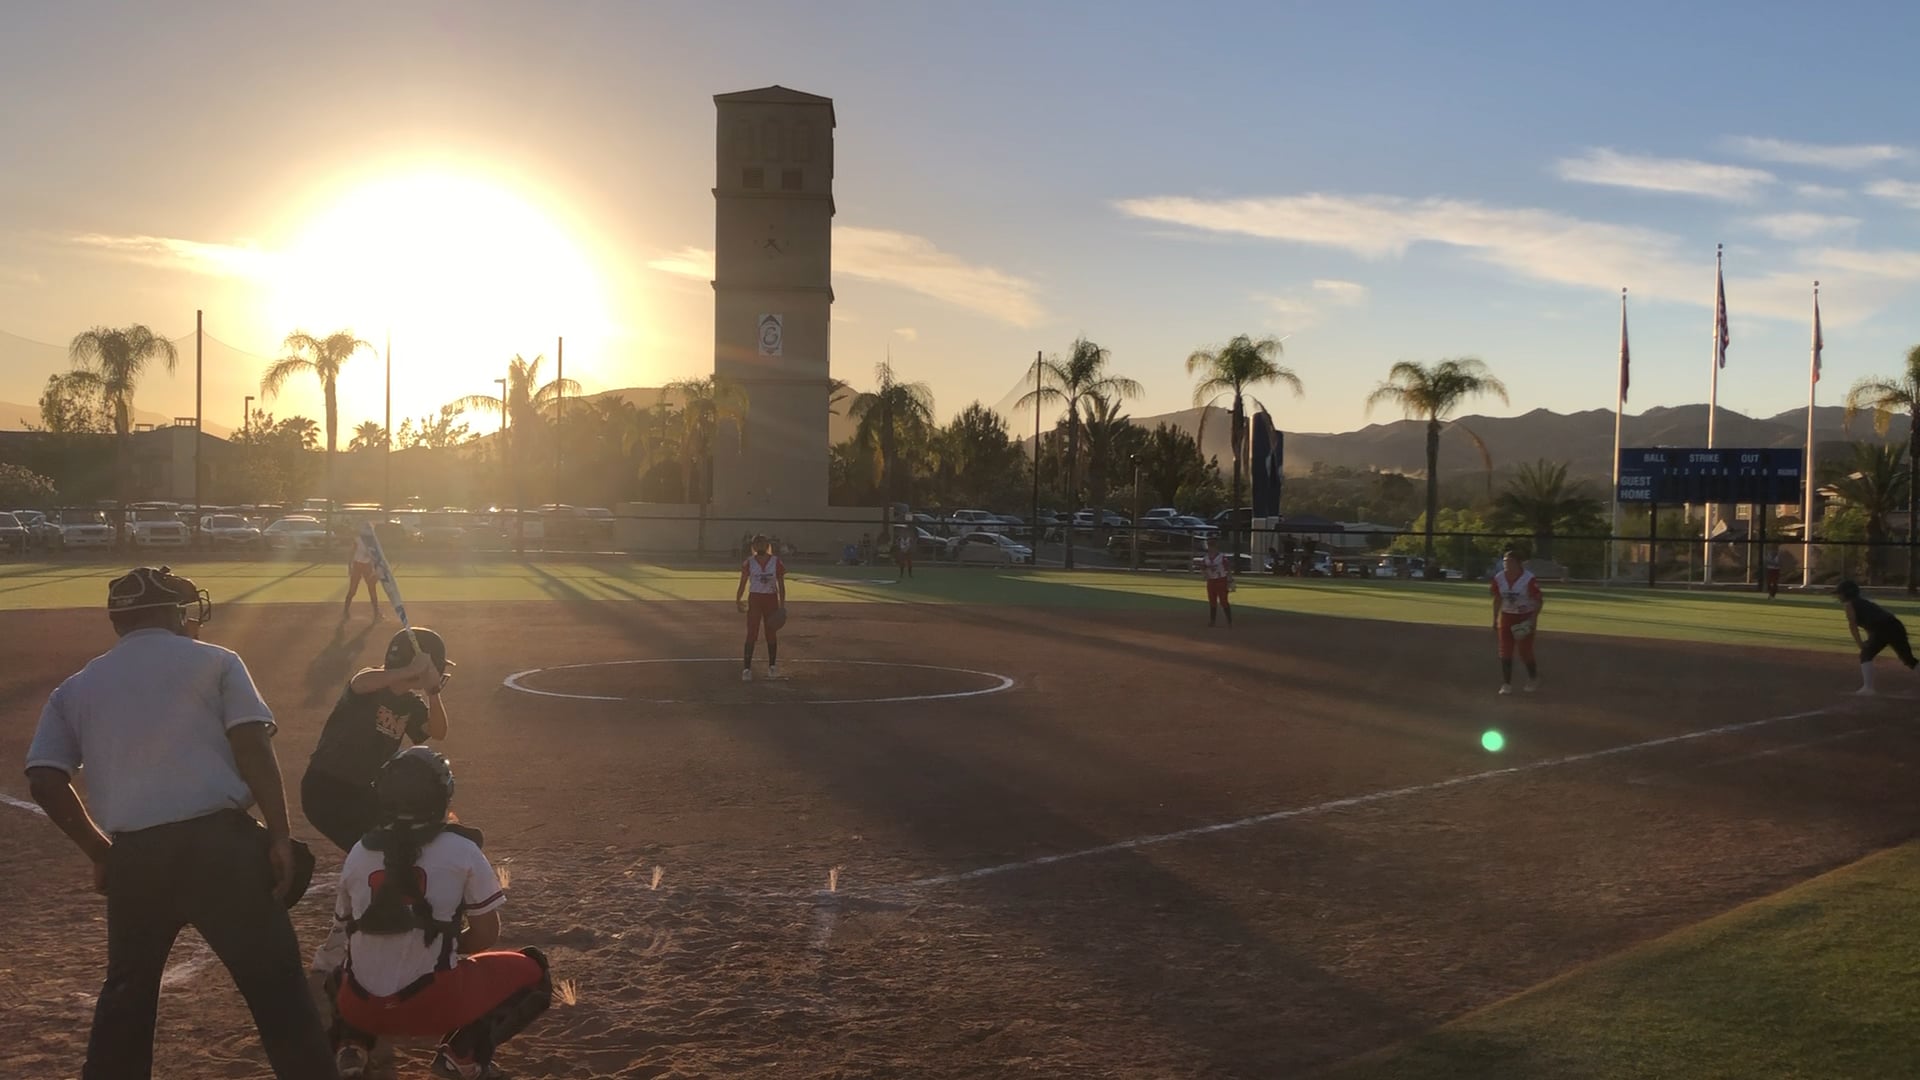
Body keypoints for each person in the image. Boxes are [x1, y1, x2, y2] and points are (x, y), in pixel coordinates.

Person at [24, 566, 336, 1079]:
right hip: (223, 851)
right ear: (172, 613)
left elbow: (44, 779)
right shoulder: (217, 661)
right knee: (278, 991)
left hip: (136, 859)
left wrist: (101, 852)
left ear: (119, 621)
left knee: (126, 1001)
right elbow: (251, 745)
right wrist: (279, 834)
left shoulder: (75, 688)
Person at [329, 748, 550, 1079]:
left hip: (359, 1007)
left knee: (340, 971)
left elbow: (345, 929)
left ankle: (351, 1044)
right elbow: (486, 935)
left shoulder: (360, 851)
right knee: (534, 970)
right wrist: (437, 942)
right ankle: (463, 1055)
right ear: (442, 794)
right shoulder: (462, 849)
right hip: (432, 1005)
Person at [303, 628, 455, 982]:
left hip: (363, 795)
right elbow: (361, 680)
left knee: (404, 845)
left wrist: (433, 693)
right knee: (375, 857)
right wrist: (411, 671)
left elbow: (438, 730)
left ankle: (391, 930)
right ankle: (338, 948)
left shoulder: (411, 704)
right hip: (326, 791)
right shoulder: (370, 685)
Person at [1837, 579, 1916, 695]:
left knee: (1866, 654)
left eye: (1840, 593)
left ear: (1847, 593)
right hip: (1895, 625)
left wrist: (1860, 643)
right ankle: (1868, 688)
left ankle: (1868, 688)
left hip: (1882, 628)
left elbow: (1853, 625)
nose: (1838, 596)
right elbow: (1874, 620)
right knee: (1908, 659)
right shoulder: (1864, 602)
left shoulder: (1849, 605)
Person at [1491, 548, 1543, 695]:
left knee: (1524, 651)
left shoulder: (1528, 578)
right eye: (1505, 561)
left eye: (1510, 561)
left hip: (1524, 616)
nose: (1506, 564)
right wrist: (1495, 618)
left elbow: (1538, 600)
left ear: (1518, 563)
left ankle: (1533, 678)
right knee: (1505, 650)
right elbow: (1497, 599)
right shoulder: (1499, 578)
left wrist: (1532, 619)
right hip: (1507, 616)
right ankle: (1506, 684)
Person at [736, 533, 787, 681]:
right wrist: (738, 599)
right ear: (753, 546)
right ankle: (747, 669)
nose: (760, 545)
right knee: (752, 633)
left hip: (771, 599)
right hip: (755, 599)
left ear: (767, 545)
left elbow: (781, 584)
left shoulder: (776, 562)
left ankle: (772, 667)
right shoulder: (749, 562)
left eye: (762, 543)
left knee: (771, 632)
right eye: (757, 543)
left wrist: (782, 605)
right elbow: (743, 582)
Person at [345, 527, 383, 621]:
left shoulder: (372, 542)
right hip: (357, 565)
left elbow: (376, 557)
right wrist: (350, 566)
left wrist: (376, 570)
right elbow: (351, 553)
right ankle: (345, 611)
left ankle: (376, 612)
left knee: (372, 589)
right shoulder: (358, 540)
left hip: (367, 566)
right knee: (353, 590)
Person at [1201, 536, 1234, 627]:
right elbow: (1203, 567)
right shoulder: (1206, 558)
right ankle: (1212, 621)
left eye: (1212, 545)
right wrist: (1205, 573)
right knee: (1212, 600)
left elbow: (1228, 568)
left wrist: (1230, 579)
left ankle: (1229, 621)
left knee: (1223, 601)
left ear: (1216, 546)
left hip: (1221, 580)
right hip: (1211, 580)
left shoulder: (1221, 557)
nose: (1210, 547)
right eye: (1209, 545)